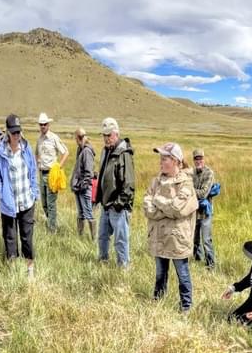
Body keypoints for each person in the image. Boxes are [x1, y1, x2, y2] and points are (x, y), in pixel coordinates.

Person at [142, 143, 195, 312]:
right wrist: (165, 209)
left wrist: (158, 202)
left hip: (177, 238)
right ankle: (158, 300)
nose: (160, 162)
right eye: (161, 158)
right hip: (159, 236)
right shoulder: (156, 181)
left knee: (182, 273)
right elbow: (147, 206)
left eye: (164, 158)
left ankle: (186, 306)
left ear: (175, 161)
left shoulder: (186, 184)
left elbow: (177, 209)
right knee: (160, 272)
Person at [0, 114, 38, 278]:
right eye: (14, 132)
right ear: (8, 132)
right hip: (9, 203)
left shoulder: (26, 147)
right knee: (10, 237)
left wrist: (34, 192)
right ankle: (13, 271)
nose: (17, 135)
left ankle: (29, 269)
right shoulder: (0, 151)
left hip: (26, 201)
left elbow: (33, 171)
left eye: (18, 132)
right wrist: (1, 194)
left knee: (27, 237)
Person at [96, 117, 135, 267]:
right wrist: (99, 199)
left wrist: (118, 204)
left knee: (121, 240)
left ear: (116, 134)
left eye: (109, 135)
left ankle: (123, 268)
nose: (106, 139)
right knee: (103, 237)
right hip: (106, 204)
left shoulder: (123, 153)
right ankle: (103, 262)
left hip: (117, 206)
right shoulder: (106, 151)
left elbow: (129, 184)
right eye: (104, 135)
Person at [35, 112, 69, 232]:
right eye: (41, 124)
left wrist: (59, 167)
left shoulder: (54, 138)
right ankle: (51, 222)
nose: (43, 126)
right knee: (44, 203)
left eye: (44, 124)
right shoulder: (39, 139)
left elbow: (65, 152)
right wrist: (38, 163)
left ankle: (52, 229)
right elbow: (36, 154)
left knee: (51, 203)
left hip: (52, 174)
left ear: (48, 125)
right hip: (41, 173)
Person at [191, 149, 218, 269]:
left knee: (206, 240)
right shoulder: (191, 173)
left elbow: (203, 194)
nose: (198, 161)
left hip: (205, 212)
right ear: (194, 160)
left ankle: (211, 265)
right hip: (193, 211)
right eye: (196, 159)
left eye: (200, 158)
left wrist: (189, 192)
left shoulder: (209, 173)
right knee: (195, 238)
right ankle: (197, 261)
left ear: (204, 159)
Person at [70, 128, 96, 238]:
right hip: (78, 187)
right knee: (81, 213)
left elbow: (88, 172)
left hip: (83, 188)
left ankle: (93, 239)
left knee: (88, 213)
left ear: (78, 138)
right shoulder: (80, 149)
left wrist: (83, 186)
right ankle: (80, 236)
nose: (75, 140)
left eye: (76, 138)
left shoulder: (86, 151)